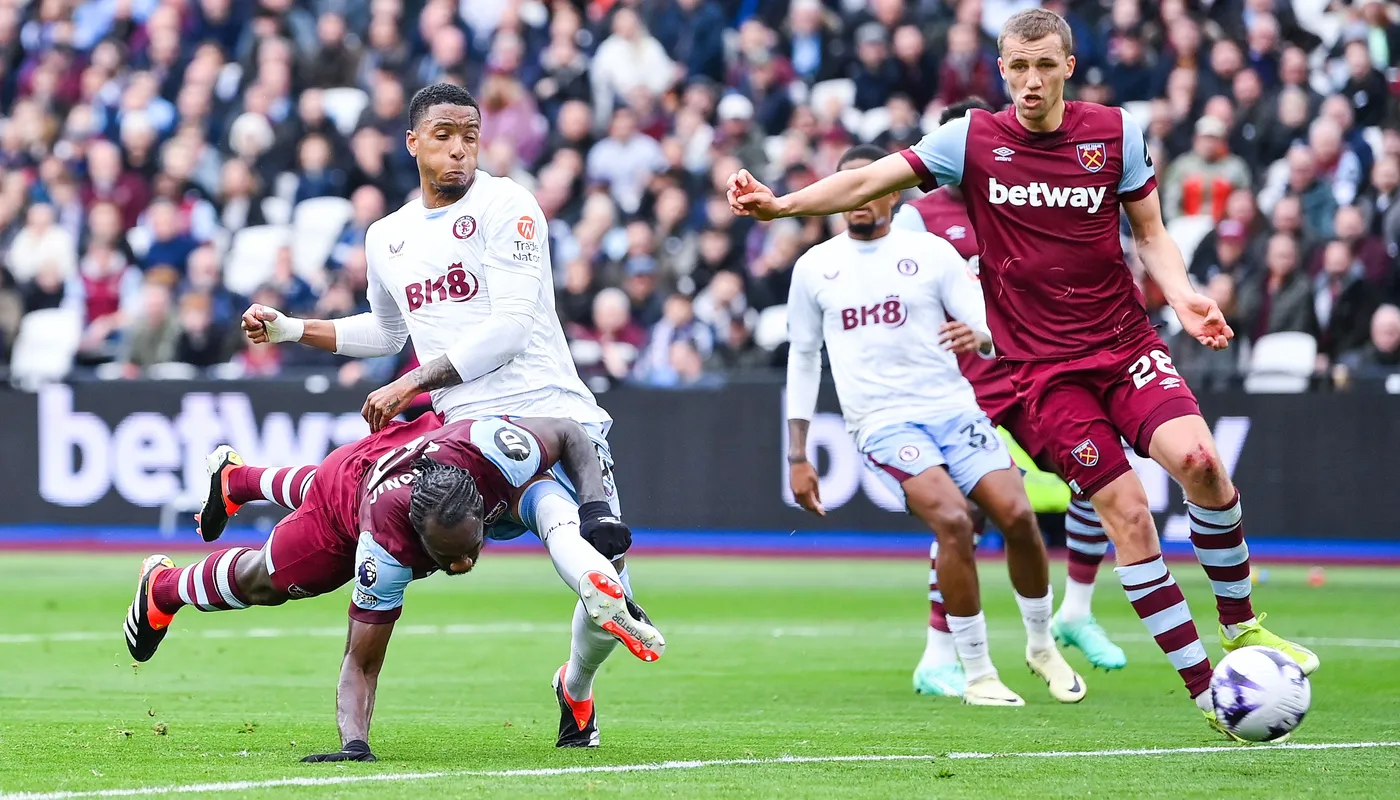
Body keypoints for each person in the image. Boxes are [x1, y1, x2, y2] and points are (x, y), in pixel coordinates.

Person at [729, 9, 1316, 739]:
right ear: (1000, 69)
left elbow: (1152, 234)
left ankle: (1242, 630)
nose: (1031, 80)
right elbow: (872, 179)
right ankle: (1208, 692)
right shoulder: (970, 140)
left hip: (1125, 343)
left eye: (1044, 65)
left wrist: (1185, 295)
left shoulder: (1116, 133)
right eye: (1017, 67)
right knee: (1128, 512)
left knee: (1202, 463)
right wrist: (783, 204)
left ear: (1069, 65)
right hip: (1044, 375)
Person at [238, 83, 646, 748]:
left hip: (555, 415)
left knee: (606, 587)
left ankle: (574, 688)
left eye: (469, 136)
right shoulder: (388, 236)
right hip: (468, 434)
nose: (459, 150)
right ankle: (357, 715)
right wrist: (290, 330)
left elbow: (511, 328)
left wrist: (411, 385)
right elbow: (386, 330)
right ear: (413, 142)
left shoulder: (508, 205)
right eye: (443, 136)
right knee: (553, 550)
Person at [125, 414, 662, 759]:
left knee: (334, 471)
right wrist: (354, 744)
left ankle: (235, 480)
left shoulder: (493, 450)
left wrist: (593, 512)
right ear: (418, 537)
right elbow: (362, 662)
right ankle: (163, 588)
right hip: (345, 509)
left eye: (471, 546)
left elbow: (570, 431)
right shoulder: (384, 545)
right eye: (447, 558)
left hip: (403, 445)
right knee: (266, 579)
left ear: (478, 507)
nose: (463, 565)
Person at [785, 143, 1085, 707]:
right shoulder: (814, 267)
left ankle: (1042, 645)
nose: (857, 200)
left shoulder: (931, 253)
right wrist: (798, 456)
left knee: (1018, 514)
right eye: (847, 189)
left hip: (953, 408)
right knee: (954, 519)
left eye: (869, 187)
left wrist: (982, 336)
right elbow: (803, 359)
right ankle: (977, 673)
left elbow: (991, 327)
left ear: (893, 193)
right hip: (882, 422)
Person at [894, 97, 1126, 673]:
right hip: (957, 383)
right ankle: (939, 654)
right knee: (962, 515)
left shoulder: (1021, 198)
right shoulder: (918, 217)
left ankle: (1076, 610)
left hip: (1028, 367)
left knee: (1097, 477)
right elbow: (895, 294)